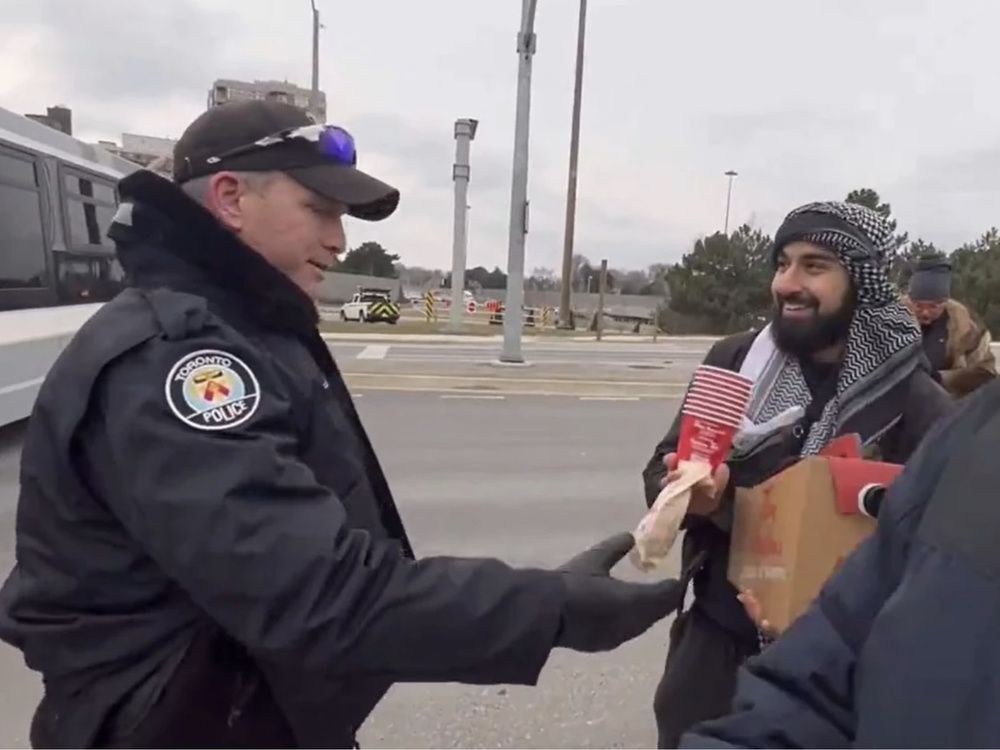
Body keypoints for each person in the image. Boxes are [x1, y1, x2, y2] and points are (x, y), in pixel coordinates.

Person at [0, 100, 684, 749]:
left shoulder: (245, 324)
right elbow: (316, 594)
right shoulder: (178, 358)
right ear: (231, 199)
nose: (339, 240)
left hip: (239, 710)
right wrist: (550, 608)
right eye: (319, 209)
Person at [641, 201, 955, 748]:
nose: (788, 283)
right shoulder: (735, 361)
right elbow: (660, 469)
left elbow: (942, 543)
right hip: (716, 650)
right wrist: (697, 494)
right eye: (782, 263)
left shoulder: (912, 398)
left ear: (863, 281)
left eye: (814, 266)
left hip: (835, 669)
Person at [681, 378, 1000, 748]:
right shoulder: (977, 435)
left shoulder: (914, 397)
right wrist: (703, 498)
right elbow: (818, 688)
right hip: (723, 620)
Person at [904, 253, 996, 398]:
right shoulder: (891, 320)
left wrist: (942, 379)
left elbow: (986, 372)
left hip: (950, 407)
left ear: (945, 301)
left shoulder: (966, 328)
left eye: (934, 306)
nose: (925, 313)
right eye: (918, 306)